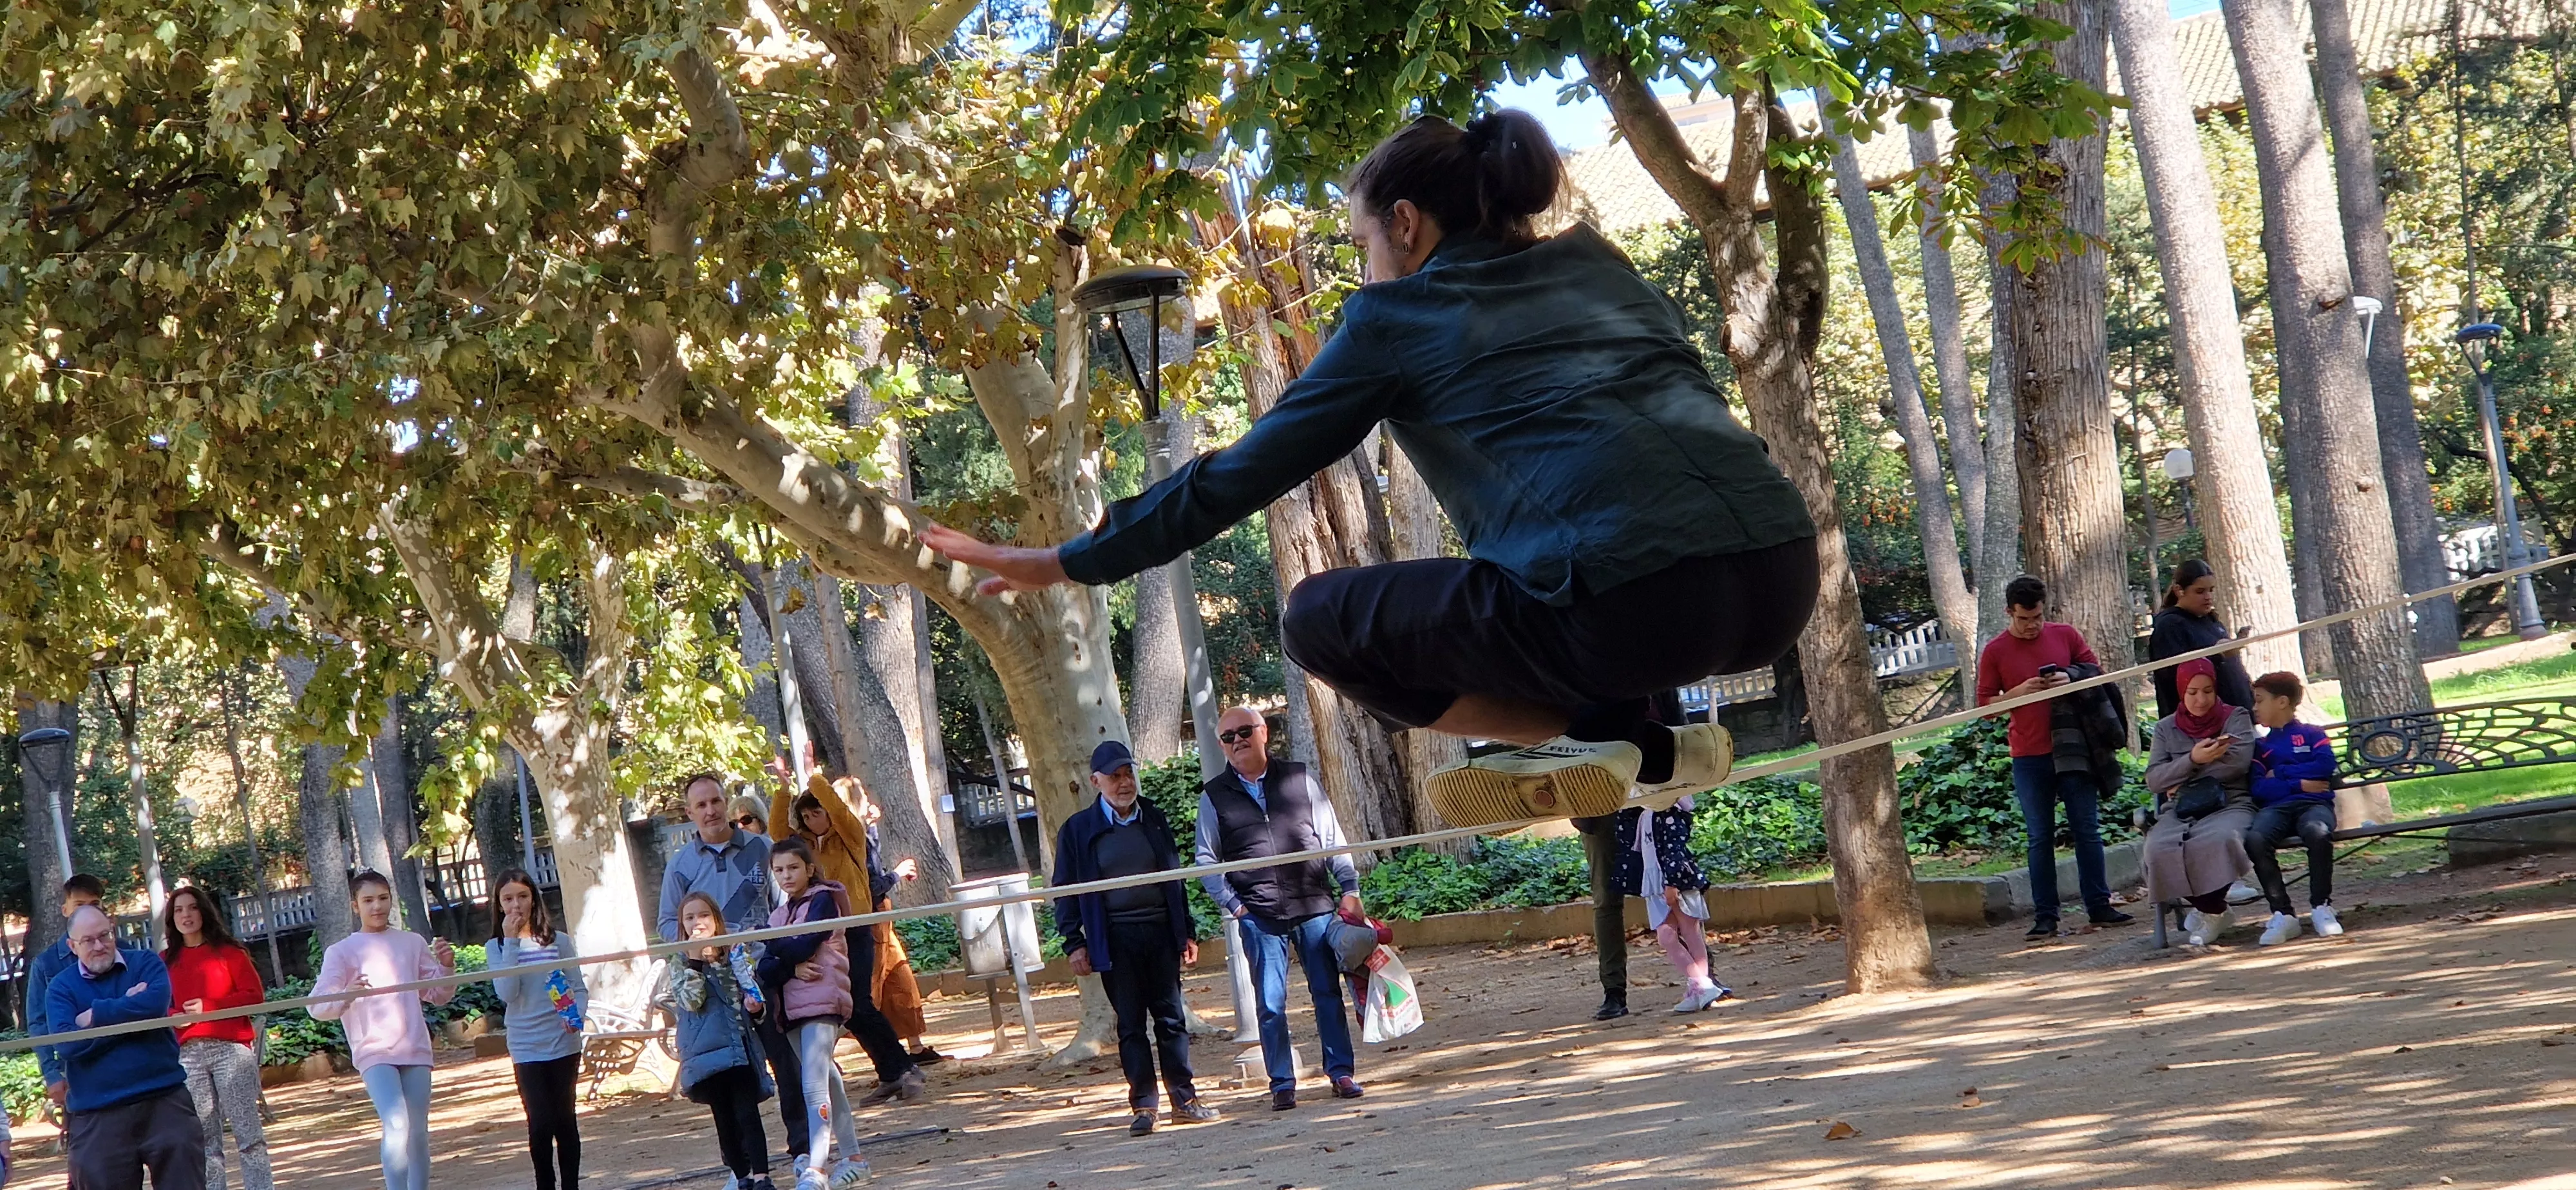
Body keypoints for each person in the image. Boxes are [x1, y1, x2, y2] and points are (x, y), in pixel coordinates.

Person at [920, 110, 1820, 829]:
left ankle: (1595, 737)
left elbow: (1240, 473)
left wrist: (1069, 559)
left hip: (1630, 618)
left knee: (1319, 621)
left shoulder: (1397, 318)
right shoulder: (1604, 269)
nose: (1366, 265)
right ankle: (1647, 743)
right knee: (1585, 561)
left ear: (1405, 223)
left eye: (1361, 245)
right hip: (1781, 578)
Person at [1189, 708, 1365, 1110]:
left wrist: (1350, 888)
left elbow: (1331, 837)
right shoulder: (1213, 795)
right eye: (1228, 736)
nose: (1237, 741)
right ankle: (1281, 1082)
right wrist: (1236, 907)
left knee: (1327, 994)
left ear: (1263, 733)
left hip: (1315, 906)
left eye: (1245, 731)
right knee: (1270, 1004)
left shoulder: (1300, 779)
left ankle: (1341, 1073)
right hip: (1259, 915)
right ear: (1222, 746)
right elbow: (1206, 858)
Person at [1051, 741, 1220, 1136]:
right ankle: (1144, 1106)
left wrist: (1186, 933)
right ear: (1097, 782)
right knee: (1130, 1025)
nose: (1125, 783)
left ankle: (1185, 1098)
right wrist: (1074, 942)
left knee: (1171, 1018)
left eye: (1128, 773)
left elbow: (1173, 881)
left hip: (1160, 935)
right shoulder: (1077, 831)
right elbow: (1065, 890)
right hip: (1114, 941)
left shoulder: (1154, 819)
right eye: (1115, 776)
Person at [657, 771, 808, 1169]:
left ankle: (803, 1149)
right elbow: (667, 925)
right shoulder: (680, 867)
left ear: (728, 803)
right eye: (701, 805)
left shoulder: (763, 849)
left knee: (788, 1063)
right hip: (715, 990)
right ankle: (743, 1167)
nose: (711, 811)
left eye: (716, 802)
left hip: (764, 974)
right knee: (728, 1079)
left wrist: (789, 956)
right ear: (690, 813)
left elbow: (786, 908)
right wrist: (699, 949)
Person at [762, 757, 927, 1105]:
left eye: (816, 813)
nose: (811, 820)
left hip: (855, 927)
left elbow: (840, 811)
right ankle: (893, 1071)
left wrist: (814, 777)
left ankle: (903, 1069)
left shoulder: (851, 835)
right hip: (823, 932)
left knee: (860, 1003)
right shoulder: (804, 845)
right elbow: (778, 831)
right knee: (849, 1008)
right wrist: (783, 787)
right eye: (805, 816)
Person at [1976, 576, 2133, 939]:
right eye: (2024, 620)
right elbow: (1984, 707)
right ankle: (2045, 915)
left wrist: (2069, 676)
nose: (2032, 627)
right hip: (2029, 755)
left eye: (2038, 618)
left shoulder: (2065, 635)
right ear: (2009, 613)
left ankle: (2100, 905)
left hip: (2074, 748)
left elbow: (2096, 672)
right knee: (2039, 836)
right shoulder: (1996, 650)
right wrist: (2014, 694)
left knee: (2087, 830)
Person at [309, 871, 456, 1190]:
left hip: (415, 1046)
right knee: (396, 1122)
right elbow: (317, 1007)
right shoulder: (342, 951)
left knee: (417, 1131)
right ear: (355, 905)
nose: (377, 906)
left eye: (383, 898)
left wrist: (447, 967)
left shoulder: (412, 942)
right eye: (368, 900)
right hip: (374, 1050)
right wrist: (347, 993)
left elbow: (439, 994)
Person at [47, 904, 205, 1190]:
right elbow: (67, 1046)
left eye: (105, 936)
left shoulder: (145, 963)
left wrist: (94, 1016)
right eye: (88, 941)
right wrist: (131, 1011)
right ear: (72, 946)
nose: (99, 946)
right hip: (97, 1114)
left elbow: (156, 1004)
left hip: (165, 1102)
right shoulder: (61, 988)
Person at [754, 840, 866, 1190]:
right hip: (790, 1010)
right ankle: (854, 1158)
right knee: (828, 1079)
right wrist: (789, 965)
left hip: (822, 1002)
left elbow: (803, 943)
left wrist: (775, 947)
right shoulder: (778, 915)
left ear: (809, 869)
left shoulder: (823, 900)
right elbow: (767, 971)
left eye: (793, 868)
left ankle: (816, 1169)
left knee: (813, 1085)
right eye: (779, 870)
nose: (787, 876)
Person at [663, 892, 777, 1190]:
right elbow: (691, 1000)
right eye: (689, 918)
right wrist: (696, 961)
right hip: (704, 1050)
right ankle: (742, 1176)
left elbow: (750, 993)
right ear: (682, 924)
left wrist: (757, 1008)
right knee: (724, 1118)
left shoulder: (734, 954)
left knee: (747, 1113)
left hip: (738, 1045)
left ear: (716, 920)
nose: (697, 923)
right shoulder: (679, 961)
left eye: (704, 916)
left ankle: (763, 1176)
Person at [161, 886, 271, 1190]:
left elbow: (255, 996)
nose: (186, 915)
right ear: (172, 918)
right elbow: (159, 1005)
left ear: (204, 912)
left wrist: (210, 1008)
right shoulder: (165, 961)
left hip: (231, 1050)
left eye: (193, 908)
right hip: (188, 1054)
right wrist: (173, 1015)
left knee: (249, 1135)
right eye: (179, 910)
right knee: (205, 1141)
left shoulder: (230, 953)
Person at [2143, 659, 2260, 947]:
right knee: (2158, 848)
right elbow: (2155, 779)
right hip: (2181, 808)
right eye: (2193, 692)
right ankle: (2216, 910)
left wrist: (2184, 775)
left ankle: (2209, 909)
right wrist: (2193, 759)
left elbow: (2237, 764)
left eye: (2208, 691)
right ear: (2182, 691)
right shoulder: (2165, 728)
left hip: (2230, 802)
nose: (2201, 700)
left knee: (2220, 839)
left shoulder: (2236, 717)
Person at [488, 869, 588, 1190]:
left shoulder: (560, 942)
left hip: (563, 1041)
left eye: (523, 896)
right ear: (499, 904)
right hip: (526, 1045)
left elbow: (578, 987)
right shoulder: (497, 947)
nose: (516, 905)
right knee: (540, 1121)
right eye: (508, 898)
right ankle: (545, 1183)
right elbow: (507, 993)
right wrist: (512, 945)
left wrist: (575, 1017)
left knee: (565, 1120)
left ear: (534, 899)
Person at [2245, 672, 2346, 945]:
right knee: (2255, 839)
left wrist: (2279, 774)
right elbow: (2258, 789)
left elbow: (2325, 768)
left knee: (2319, 833)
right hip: (2276, 809)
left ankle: (2321, 907)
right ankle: (2283, 914)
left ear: (2282, 702)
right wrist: (2300, 782)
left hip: (2315, 805)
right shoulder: (2260, 747)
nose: (2254, 707)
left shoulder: (2313, 735)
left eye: (2259, 700)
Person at [1614, 798, 1730, 1012]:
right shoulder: (1645, 814)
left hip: (1674, 881)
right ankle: (1702, 986)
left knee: (1690, 934)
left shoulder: (1669, 812)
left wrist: (1672, 882)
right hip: (1656, 882)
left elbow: (1675, 848)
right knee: (1667, 936)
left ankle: (1701, 986)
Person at [849, 793, 938, 1066]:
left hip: (883, 921)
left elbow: (873, 864)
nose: (869, 801)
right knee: (870, 989)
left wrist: (871, 827)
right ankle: (869, 1054)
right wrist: (897, 874)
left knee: (900, 978)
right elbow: (870, 887)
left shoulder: (862, 836)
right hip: (870, 921)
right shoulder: (850, 843)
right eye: (861, 796)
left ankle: (915, 1046)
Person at [33, 873, 109, 1119]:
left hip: (126, 1064)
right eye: (79, 905)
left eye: (95, 904)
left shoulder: (126, 952)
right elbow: (39, 1023)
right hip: (75, 1072)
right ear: (65, 910)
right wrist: (52, 1074)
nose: (88, 911)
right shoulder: (46, 964)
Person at [2146, 560, 2257, 723]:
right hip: (2202, 724)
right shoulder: (2170, 627)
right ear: (2179, 590)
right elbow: (2176, 676)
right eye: (2200, 591)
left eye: (2211, 590)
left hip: (2238, 715)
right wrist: (2217, 655)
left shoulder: (2211, 621)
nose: (2208, 597)